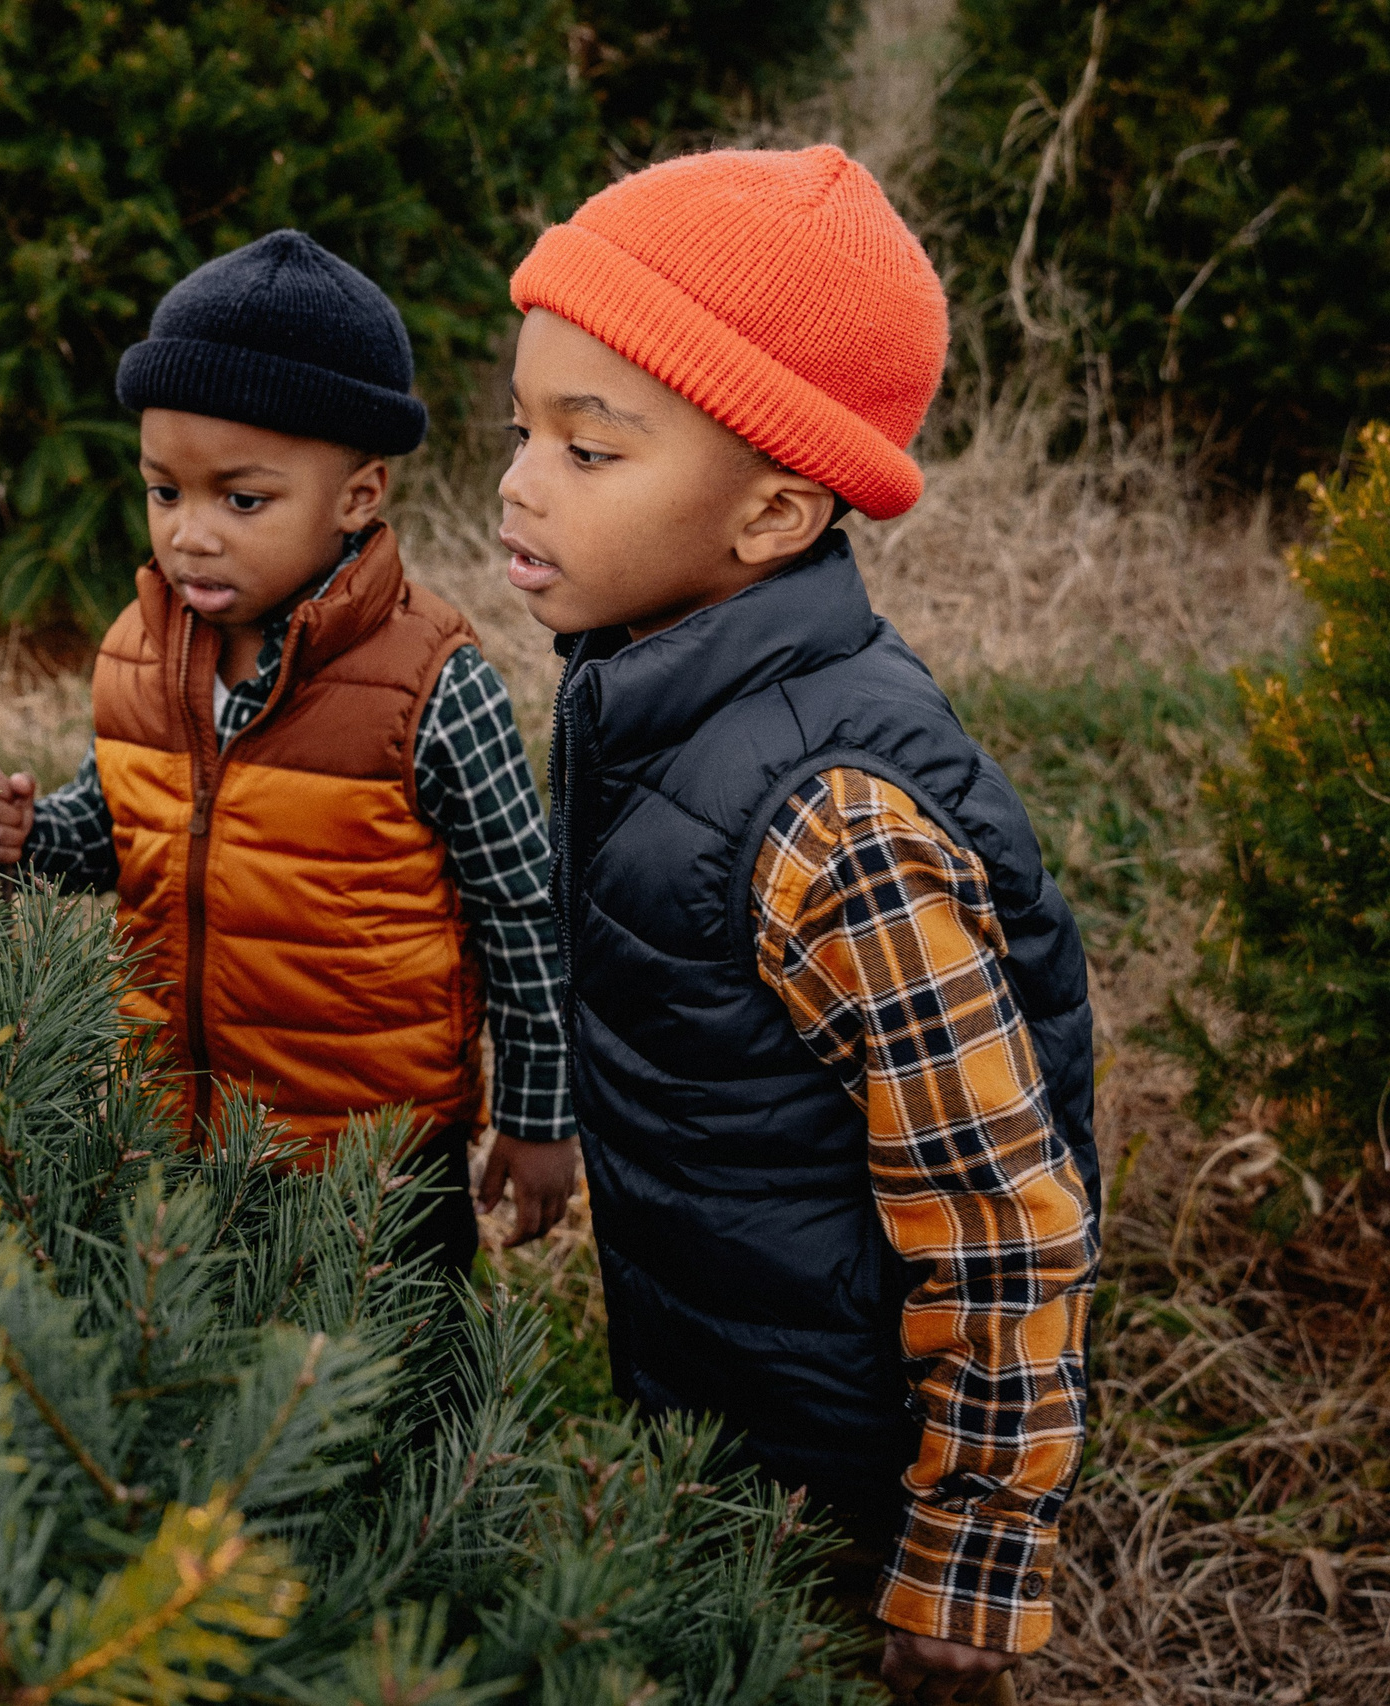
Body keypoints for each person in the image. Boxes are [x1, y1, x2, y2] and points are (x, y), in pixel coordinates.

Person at [500, 146, 1098, 1705]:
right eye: (520, 429)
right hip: (725, 1412)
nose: (517, 481)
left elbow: (995, 1211)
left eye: (588, 449)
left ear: (772, 508)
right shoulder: (647, 686)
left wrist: (967, 1552)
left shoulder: (830, 826)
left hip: (847, 1486)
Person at [0, 229, 576, 1272]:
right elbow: (120, 831)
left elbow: (520, 908)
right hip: (177, 1131)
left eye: (241, 500)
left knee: (389, 1399)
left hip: (372, 1160)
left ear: (357, 496)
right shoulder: (140, 654)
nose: (190, 533)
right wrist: (24, 834)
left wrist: (539, 1112)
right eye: (165, 491)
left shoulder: (430, 682)